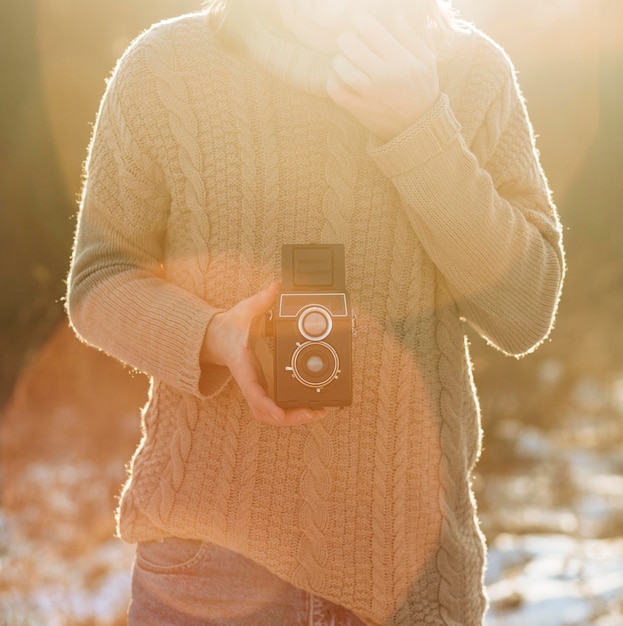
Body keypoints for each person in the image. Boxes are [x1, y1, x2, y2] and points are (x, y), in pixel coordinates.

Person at [66, 0, 565, 623]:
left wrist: (419, 128)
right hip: (210, 573)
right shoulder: (166, 68)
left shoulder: (472, 74)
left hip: (408, 576)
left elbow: (524, 309)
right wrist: (213, 336)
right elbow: (98, 280)